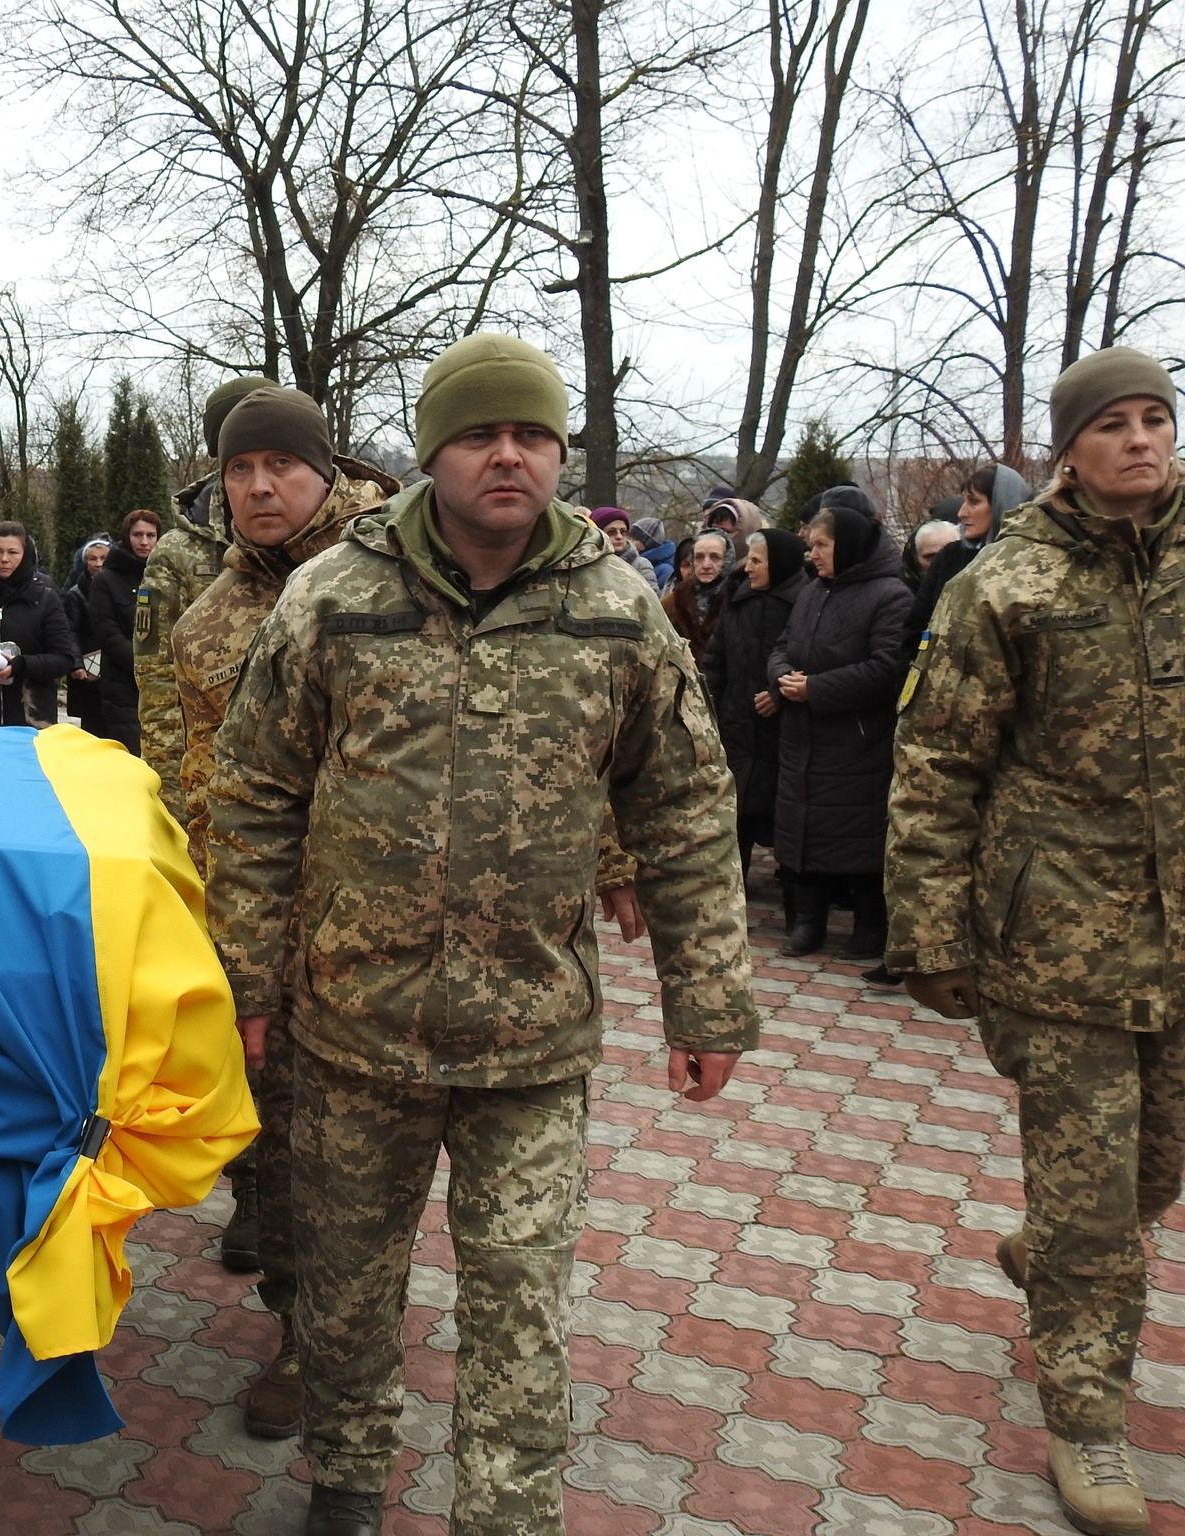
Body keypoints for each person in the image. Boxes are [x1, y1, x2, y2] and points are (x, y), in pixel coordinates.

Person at [206, 333, 758, 1536]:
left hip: (531, 1039)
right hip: (356, 1027)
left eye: (530, 435)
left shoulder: (613, 610)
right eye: (477, 434)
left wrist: (705, 1001)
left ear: (558, 451)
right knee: (347, 1293)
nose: (506, 455)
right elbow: (253, 794)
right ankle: (347, 1480)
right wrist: (242, 981)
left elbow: (682, 804)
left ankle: (505, 1513)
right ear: (431, 450)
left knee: (520, 1300)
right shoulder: (334, 599)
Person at [886, 346, 1183, 1536]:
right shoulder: (1002, 586)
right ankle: (1086, 1415)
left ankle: (1051, 1248)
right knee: (1091, 1204)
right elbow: (936, 765)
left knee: (1150, 1169)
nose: (1139, 439)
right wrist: (930, 933)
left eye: (1155, 417)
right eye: (1110, 423)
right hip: (1059, 939)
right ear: (1068, 447)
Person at [171, 386, 399, 1443]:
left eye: (280, 466)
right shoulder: (208, 613)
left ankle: (336, 1347)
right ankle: (298, 1327)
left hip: (380, 930)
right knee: (266, 1144)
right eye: (237, 469)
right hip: (254, 926)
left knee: (353, 1158)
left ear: (324, 468)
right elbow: (193, 774)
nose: (258, 487)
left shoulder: (397, 575)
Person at [767, 495, 910, 965]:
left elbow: (887, 668)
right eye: (810, 546)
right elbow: (782, 646)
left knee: (859, 836)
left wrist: (818, 688)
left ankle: (869, 928)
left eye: (822, 545)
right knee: (802, 829)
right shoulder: (812, 592)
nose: (812, 554)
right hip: (802, 736)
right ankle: (807, 923)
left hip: (857, 742)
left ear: (846, 545)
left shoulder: (891, 596)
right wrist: (783, 677)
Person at [136, 375, 276, 823]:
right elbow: (155, 677)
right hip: (213, 770)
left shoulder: (308, 539)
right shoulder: (178, 552)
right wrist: (169, 787)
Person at [702, 528, 809, 879]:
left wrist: (780, 693)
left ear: (778, 563)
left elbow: (816, 657)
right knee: (736, 810)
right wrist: (707, 704)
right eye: (749, 558)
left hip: (784, 727)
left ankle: (794, 892)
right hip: (737, 721)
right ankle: (733, 883)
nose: (749, 567)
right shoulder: (738, 597)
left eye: (758, 560)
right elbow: (716, 658)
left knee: (784, 814)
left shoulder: (806, 602)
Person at [0, 522, 77, 726]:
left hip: (32, 718)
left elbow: (64, 658)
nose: (4, 559)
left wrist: (20, 665)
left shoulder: (45, 598)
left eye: (13, 552)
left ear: (25, 554)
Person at [905, 463, 1030, 639]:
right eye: (964, 501)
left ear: (1001, 504)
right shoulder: (950, 556)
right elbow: (921, 627)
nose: (961, 513)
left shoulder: (1030, 563)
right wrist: (922, 657)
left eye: (973, 502)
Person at [86, 510, 159, 751]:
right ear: (127, 536)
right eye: (138, 534)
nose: (144, 541)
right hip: (123, 686)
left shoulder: (165, 575)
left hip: (166, 683)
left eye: (151, 535)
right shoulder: (106, 580)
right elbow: (107, 632)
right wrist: (145, 664)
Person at [63, 536, 111, 736]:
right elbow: (70, 631)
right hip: (90, 664)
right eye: (93, 558)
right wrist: (76, 663)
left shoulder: (115, 587)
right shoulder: (76, 594)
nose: (98, 563)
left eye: (103, 558)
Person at [664, 526, 731, 657]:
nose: (706, 565)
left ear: (727, 560)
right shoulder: (675, 599)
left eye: (715, 557)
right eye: (699, 557)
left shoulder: (737, 599)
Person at [588, 506, 658, 586]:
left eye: (623, 532)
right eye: (611, 532)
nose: (619, 536)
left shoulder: (640, 565)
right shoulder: (585, 564)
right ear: (597, 534)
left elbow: (652, 597)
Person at [629, 513, 676, 590]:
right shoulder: (635, 559)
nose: (630, 541)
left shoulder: (665, 570)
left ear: (646, 544)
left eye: (634, 538)